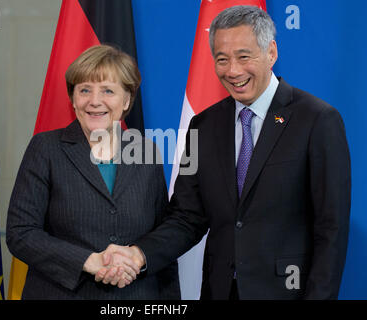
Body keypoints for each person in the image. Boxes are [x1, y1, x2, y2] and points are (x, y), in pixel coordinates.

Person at [97, 6, 351, 300]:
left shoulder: (317, 119)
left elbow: (330, 227)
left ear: (271, 53)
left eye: (244, 56)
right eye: (222, 59)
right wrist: (139, 255)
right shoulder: (203, 125)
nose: (233, 70)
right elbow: (186, 217)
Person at [6, 44, 180, 300]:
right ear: (73, 99)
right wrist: (88, 261)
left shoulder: (147, 152)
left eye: (108, 91)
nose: (94, 101)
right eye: (85, 90)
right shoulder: (45, 148)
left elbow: (162, 240)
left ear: (127, 100)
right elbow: (21, 233)